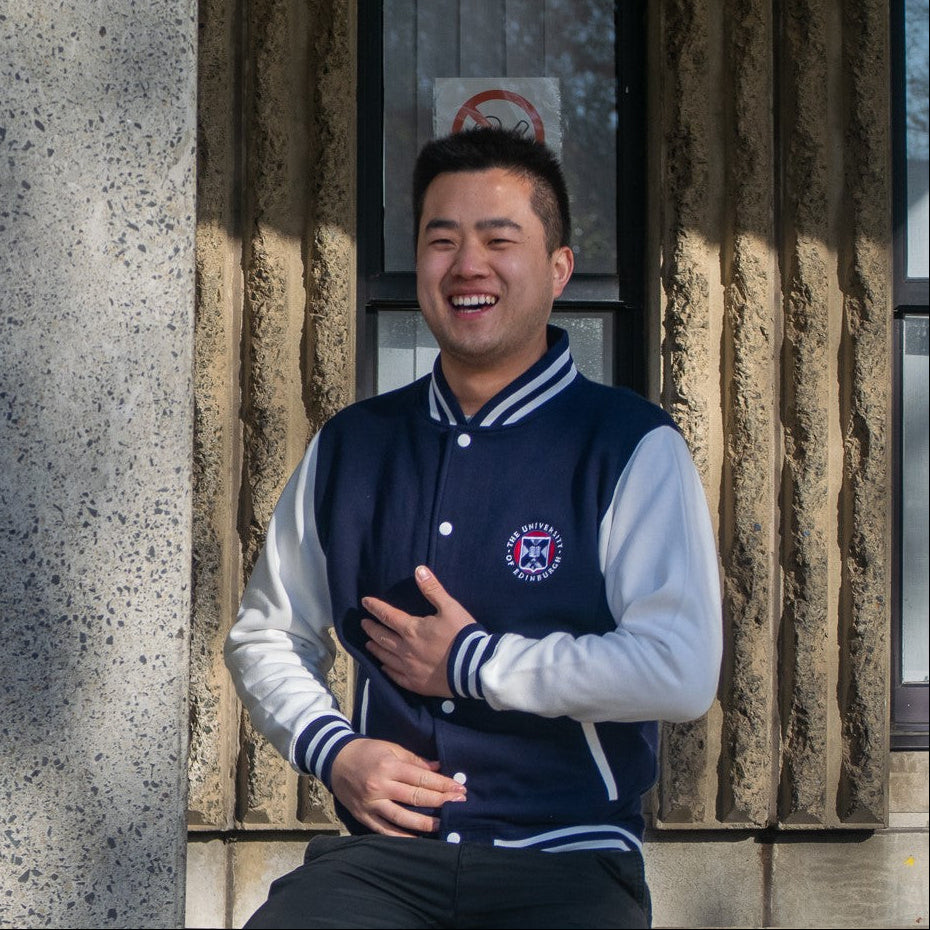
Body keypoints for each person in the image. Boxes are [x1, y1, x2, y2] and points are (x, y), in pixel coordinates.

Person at [225, 127, 722, 929]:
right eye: (442, 240)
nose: (467, 266)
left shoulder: (629, 445)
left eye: (499, 240)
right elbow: (266, 634)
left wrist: (474, 663)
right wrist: (333, 749)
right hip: (385, 863)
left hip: (567, 859)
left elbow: (680, 669)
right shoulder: (352, 445)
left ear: (558, 268)